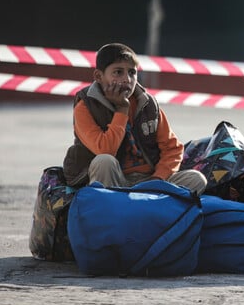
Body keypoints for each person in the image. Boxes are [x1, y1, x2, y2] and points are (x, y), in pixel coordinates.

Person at [62, 43, 207, 195]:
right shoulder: (86, 106)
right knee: (103, 161)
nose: (127, 79)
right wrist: (122, 110)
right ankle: (113, 209)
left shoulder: (147, 104)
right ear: (99, 76)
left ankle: (147, 203)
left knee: (196, 179)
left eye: (132, 72)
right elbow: (105, 149)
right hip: (113, 181)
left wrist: (158, 178)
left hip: (150, 180)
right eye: (118, 72)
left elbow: (172, 148)